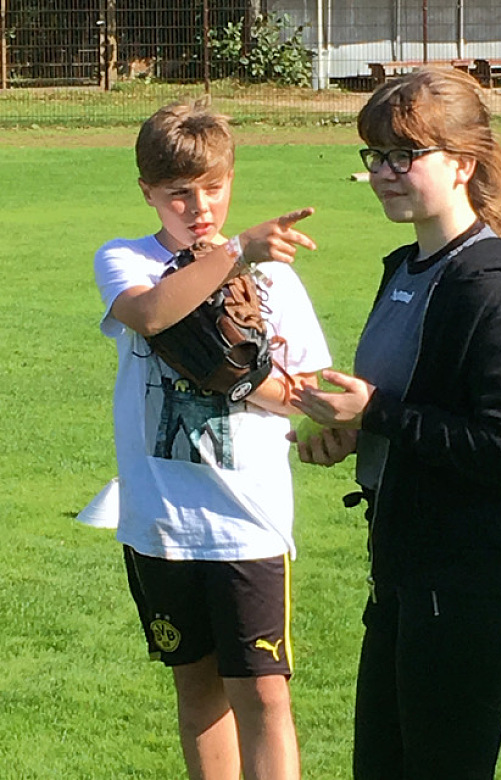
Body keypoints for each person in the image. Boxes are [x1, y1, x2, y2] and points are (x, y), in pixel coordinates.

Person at [290, 66, 501, 779]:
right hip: (408, 570)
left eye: (404, 155)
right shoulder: (407, 269)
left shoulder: (494, 288)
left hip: (475, 583)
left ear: (462, 163)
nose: (383, 173)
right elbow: (421, 407)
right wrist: (354, 431)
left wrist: (378, 412)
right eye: (376, 155)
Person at [93, 100, 331, 780]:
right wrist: (233, 256)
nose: (198, 207)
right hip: (162, 517)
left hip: (246, 518)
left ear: (231, 180)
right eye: (178, 194)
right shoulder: (127, 258)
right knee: (196, 691)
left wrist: (241, 376)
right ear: (147, 192)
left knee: (263, 694)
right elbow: (148, 314)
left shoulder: (274, 275)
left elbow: (305, 388)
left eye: (213, 188)